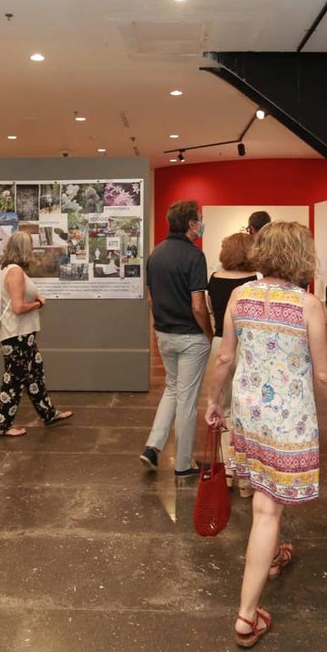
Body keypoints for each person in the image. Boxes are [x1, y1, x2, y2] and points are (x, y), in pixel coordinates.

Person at [204, 221, 327, 648]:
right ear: (300, 256)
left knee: (265, 496)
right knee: (268, 509)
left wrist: (214, 401)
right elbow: (324, 372)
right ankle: (246, 618)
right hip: (288, 421)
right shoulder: (307, 305)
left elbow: (225, 359)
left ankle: (270, 558)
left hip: (249, 416)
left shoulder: (239, 296)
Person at [139, 200, 214, 477]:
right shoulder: (194, 257)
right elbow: (198, 305)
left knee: (172, 389)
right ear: (192, 224)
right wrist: (208, 333)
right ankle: (183, 463)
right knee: (188, 400)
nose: (202, 223)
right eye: (200, 219)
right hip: (190, 337)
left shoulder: (155, 254)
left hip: (164, 333)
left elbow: (151, 298)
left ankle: (153, 446)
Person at [0, 231, 73, 436]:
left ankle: (48, 413)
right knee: (14, 380)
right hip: (16, 334)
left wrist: (34, 294)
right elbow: (18, 308)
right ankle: (3, 426)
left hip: (22, 334)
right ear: (24, 249)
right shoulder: (16, 272)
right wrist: (38, 303)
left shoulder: (9, 269)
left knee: (35, 374)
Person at [205, 232, 258, 495]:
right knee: (247, 414)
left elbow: (209, 310)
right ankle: (247, 481)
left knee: (224, 410)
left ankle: (227, 471)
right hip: (248, 350)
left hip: (219, 346)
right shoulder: (255, 281)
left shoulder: (214, 279)